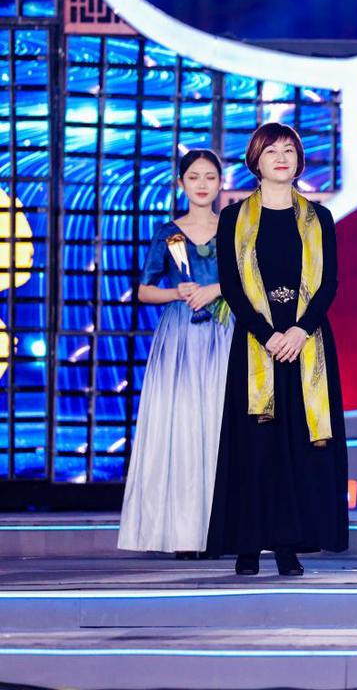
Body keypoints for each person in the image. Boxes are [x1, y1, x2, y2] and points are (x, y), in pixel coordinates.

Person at [205, 122, 348, 576]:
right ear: (256, 160)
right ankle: (247, 545)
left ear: (299, 161)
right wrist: (267, 334)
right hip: (256, 345)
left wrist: (301, 330)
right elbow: (231, 285)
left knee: (298, 448)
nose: (281, 157)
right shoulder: (234, 218)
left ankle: (290, 545)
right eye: (272, 151)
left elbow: (329, 284)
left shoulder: (319, 218)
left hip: (306, 345)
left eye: (289, 150)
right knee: (255, 448)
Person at [119, 149, 233, 556]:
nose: (202, 184)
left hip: (225, 331)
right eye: (194, 177)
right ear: (181, 183)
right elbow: (144, 290)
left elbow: (251, 279)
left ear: (221, 183)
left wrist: (217, 289)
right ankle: (184, 533)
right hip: (180, 337)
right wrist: (175, 293)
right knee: (181, 429)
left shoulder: (234, 229)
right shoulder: (168, 233)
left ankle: (224, 530)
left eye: (210, 177)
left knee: (222, 426)